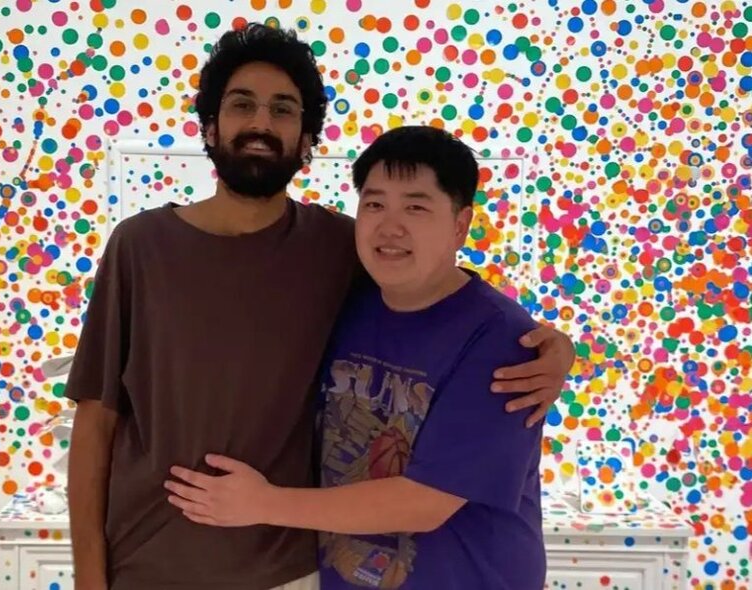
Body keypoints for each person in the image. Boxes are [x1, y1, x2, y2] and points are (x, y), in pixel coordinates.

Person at [66, 24, 572, 590]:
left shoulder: (337, 249)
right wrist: (89, 572)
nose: (261, 123)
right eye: (242, 105)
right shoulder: (140, 246)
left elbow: (440, 288)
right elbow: (96, 419)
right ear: (210, 126)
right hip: (147, 564)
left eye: (283, 110)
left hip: (292, 571)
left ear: (306, 141)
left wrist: (557, 349)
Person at [164, 126, 549, 589]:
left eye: (415, 206)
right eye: (374, 203)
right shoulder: (344, 302)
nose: (390, 225)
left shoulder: (503, 341)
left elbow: (425, 502)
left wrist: (262, 504)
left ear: (460, 225)